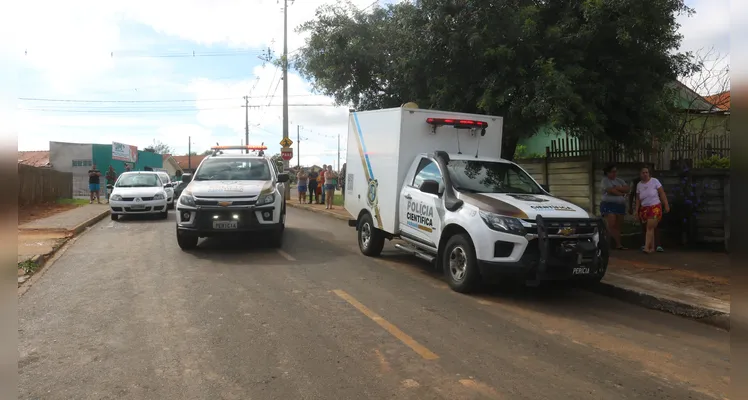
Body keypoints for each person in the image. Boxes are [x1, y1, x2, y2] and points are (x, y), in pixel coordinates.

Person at [635, 166, 669, 254]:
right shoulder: (639, 185)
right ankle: (652, 248)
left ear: (649, 173)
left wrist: (666, 204)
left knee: (649, 227)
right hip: (644, 208)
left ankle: (646, 247)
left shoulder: (655, 181)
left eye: (647, 172)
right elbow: (638, 199)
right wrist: (636, 210)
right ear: (640, 174)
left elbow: (662, 193)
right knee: (650, 228)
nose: (645, 174)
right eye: (643, 172)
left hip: (655, 206)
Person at [600, 164, 629, 250]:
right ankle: (607, 243)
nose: (614, 173)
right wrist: (622, 193)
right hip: (609, 204)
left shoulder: (619, 180)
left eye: (615, 171)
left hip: (620, 205)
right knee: (611, 224)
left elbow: (627, 188)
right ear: (607, 173)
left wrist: (618, 188)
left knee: (618, 225)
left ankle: (618, 244)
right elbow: (611, 191)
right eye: (612, 172)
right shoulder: (605, 181)